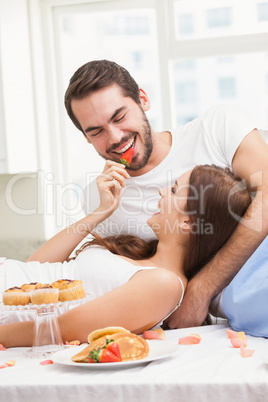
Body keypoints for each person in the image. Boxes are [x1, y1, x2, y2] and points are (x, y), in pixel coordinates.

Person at [64, 59, 268, 329]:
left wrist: (201, 289)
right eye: (96, 131)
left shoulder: (216, 129)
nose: (115, 137)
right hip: (231, 322)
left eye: (119, 117)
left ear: (142, 99)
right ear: (86, 138)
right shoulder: (101, 198)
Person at [0, 164, 251, 347]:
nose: (163, 191)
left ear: (188, 223)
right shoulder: (139, 253)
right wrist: (101, 212)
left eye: (174, 190)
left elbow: (64, 329)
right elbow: (35, 267)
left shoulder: (165, 285)